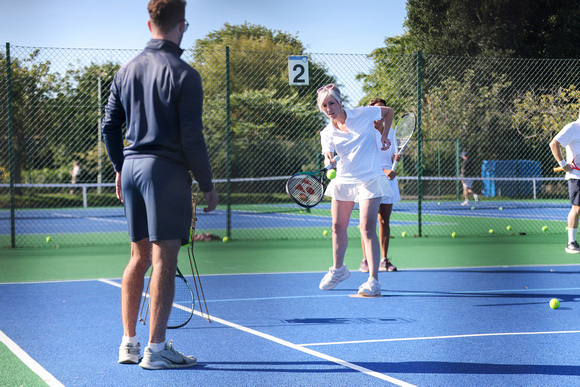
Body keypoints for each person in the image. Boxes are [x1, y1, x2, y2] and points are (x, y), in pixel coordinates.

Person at [102, 0, 218, 370]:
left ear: (149, 22)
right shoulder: (185, 74)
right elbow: (192, 139)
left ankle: (129, 344)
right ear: (182, 25)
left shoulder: (125, 70)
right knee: (163, 260)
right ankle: (156, 349)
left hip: (133, 168)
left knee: (137, 257)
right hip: (164, 173)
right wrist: (208, 185)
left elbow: (109, 127)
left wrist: (121, 167)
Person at [317, 84, 394, 297]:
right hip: (344, 179)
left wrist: (385, 136)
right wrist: (329, 159)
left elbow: (389, 112)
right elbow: (327, 153)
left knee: (367, 227)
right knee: (336, 226)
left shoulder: (362, 113)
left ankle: (373, 281)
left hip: (369, 178)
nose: (329, 108)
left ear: (340, 102)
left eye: (331, 103)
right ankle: (339, 270)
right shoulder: (327, 132)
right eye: (324, 105)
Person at [359, 98, 401, 273]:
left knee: (384, 220)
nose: (380, 112)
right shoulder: (366, 132)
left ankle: (384, 260)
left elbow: (391, 155)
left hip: (389, 181)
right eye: (376, 109)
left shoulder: (391, 132)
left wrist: (394, 160)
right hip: (371, 179)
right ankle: (366, 261)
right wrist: (383, 171)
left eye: (382, 109)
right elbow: (366, 160)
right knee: (368, 223)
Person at [550, 110, 580, 253]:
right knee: (577, 208)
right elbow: (554, 144)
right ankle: (571, 243)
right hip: (576, 176)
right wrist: (563, 165)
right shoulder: (572, 127)